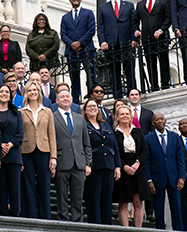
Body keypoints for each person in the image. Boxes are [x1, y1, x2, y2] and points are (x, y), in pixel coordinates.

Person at [19, 80, 57, 219]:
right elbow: (19, 134)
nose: (33, 92)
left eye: (35, 90)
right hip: (26, 152)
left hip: (44, 151)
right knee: (28, 186)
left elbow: (52, 135)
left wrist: (53, 157)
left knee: (44, 186)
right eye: (30, 90)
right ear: (26, 93)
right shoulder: (21, 112)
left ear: (39, 93)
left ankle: (46, 218)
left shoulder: (47, 111)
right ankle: (31, 217)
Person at [52, 89, 91, 222]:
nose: (65, 99)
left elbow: (86, 143)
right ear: (56, 101)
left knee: (78, 198)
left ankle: (77, 223)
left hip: (79, 163)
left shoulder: (80, 118)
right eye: (62, 97)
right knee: (61, 197)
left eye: (67, 96)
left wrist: (88, 163)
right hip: (61, 163)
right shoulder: (52, 117)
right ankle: (63, 222)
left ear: (71, 99)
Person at [145, 112, 186, 231]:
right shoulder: (148, 138)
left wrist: (182, 177)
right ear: (153, 123)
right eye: (157, 120)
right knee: (158, 208)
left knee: (176, 207)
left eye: (161, 119)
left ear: (165, 121)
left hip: (174, 178)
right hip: (157, 179)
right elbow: (147, 161)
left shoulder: (175, 137)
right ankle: (160, 229)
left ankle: (178, 230)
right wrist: (149, 180)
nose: (159, 121)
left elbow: (180, 158)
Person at [84, 99, 122, 225]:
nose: (92, 108)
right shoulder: (83, 125)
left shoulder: (106, 125)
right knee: (94, 200)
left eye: (94, 106)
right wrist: (86, 164)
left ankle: (107, 226)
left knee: (107, 200)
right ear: (85, 109)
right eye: (89, 106)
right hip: (94, 167)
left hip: (109, 166)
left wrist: (117, 166)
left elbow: (115, 147)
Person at [114, 103, 151, 227]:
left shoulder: (138, 131)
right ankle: (125, 229)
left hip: (138, 168)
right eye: (122, 114)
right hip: (122, 167)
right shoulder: (114, 133)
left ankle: (138, 229)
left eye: (127, 114)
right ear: (117, 117)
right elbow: (115, 152)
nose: (125, 116)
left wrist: (137, 163)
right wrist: (123, 166)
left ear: (131, 116)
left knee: (138, 202)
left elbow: (144, 149)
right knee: (123, 202)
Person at [97, 0, 137, 96]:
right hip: (111, 44)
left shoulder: (129, 5)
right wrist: (102, 41)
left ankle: (132, 93)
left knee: (129, 70)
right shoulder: (103, 8)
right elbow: (100, 26)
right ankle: (117, 96)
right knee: (114, 72)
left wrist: (134, 39)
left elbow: (133, 23)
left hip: (127, 43)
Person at [132, 0, 172, 92]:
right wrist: (136, 30)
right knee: (150, 63)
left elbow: (169, 18)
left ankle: (165, 84)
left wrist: (161, 30)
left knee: (164, 62)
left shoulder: (164, 1)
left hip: (161, 37)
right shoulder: (140, 4)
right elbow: (135, 20)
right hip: (147, 39)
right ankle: (153, 86)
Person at [60, 0, 97, 104]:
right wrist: (72, 44)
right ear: (70, 0)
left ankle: (93, 98)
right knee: (74, 77)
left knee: (91, 75)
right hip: (72, 52)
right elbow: (63, 34)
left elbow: (91, 30)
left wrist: (80, 42)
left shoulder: (88, 13)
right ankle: (76, 101)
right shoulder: (65, 17)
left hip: (86, 49)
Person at [0, 84, 23, 216]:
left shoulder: (17, 114)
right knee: (0, 190)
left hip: (14, 156)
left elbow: (20, 133)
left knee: (15, 190)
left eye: (7, 92)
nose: (4, 93)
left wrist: (9, 145)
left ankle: (15, 218)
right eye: (1, 91)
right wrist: (0, 145)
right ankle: (3, 218)